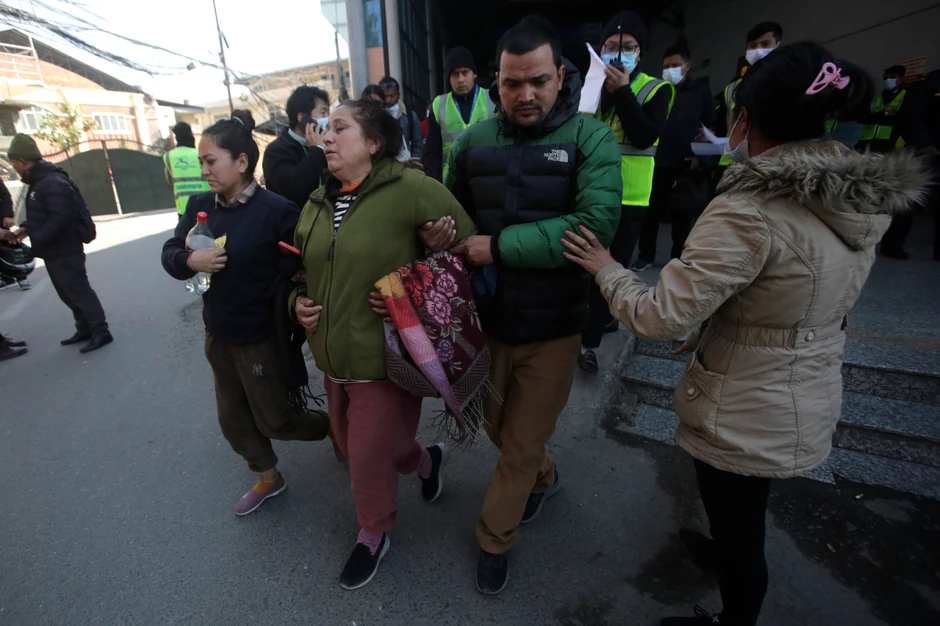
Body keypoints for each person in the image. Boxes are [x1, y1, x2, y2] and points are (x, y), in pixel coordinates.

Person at [561, 42, 927, 626]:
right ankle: (727, 556)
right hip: (798, 380)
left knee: (740, 521)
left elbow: (659, 316)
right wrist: (715, 322)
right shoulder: (856, 195)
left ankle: (735, 613)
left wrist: (606, 268)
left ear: (744, 118)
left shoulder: (749, 210)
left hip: (747, 401)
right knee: (740, 509)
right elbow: (784, 286)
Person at [445, 16, 622, 595]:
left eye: (539, 82)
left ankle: (494, 538)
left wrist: (494, 247)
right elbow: (454, 219)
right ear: (496, 82)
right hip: (488, 324)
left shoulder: (590, 138)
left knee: (518, 445)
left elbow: (593, 227)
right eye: (512, 83)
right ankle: (545, 477)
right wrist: (440, 234)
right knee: (499, 429)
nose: (526, 95)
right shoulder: (471, 142)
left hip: (555, 326)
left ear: (561, 76)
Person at [290, 99, 476, 590]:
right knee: (357, 443)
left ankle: (373, 531)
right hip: (331, 357)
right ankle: (426, 460)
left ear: (374, 142)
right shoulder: (315, 202)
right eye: (324, 130)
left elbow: (467, 249)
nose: (326, 138)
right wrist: (296, 302)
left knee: (366, 454)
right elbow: (299, 273)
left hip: (386, 357)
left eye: (340, 129)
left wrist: (424, 263)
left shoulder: (411, 188)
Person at [162, 110, 331, 516]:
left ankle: (334, 428)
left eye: (210, 160)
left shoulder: (277, 211)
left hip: (260, 336)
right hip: (218, 333)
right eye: (201, 161)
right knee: (232, 417)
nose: (204, 170)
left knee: (275, 419)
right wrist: (190, 260)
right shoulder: (201, 206)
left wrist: (300, 301)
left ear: (241, 161)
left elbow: (303, 267)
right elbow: (170, 252)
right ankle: (269, 477)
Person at [580, 10, 674, 373]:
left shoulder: (654, 89)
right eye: (610, 46)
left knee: (609, 268)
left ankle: (589, 344)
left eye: (629, 47)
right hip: (588, 192)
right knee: (582, 265)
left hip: (630, 197)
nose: (618, 55)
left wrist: (622, 93)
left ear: (641, 52)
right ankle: (596, 321)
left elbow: (645, 135)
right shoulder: (590, 86)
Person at [8, 133, 112, 353]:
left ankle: (101, 332)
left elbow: (61, 218)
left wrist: (38, 239)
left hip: (65, 249)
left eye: (13, 161)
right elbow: (45, 213)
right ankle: (84, 328)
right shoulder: (40, 182)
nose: (13, 166)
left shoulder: (51, 182)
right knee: (67, 293)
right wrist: (26, 228)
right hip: (55, 250)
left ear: (23, 160)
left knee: (79, 291)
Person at [635, 41, 714, 271]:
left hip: (685, 163)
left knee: (682, 214)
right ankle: (645, 255)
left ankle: (678, 258)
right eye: (666, 65)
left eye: (675, 65)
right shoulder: (657, 90)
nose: (670, 69)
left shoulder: (701, 93)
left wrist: (701, 155)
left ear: (687, 66)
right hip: (657, 161)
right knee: (651, 212)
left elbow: (709, 127)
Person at [858, 65, 914, 259]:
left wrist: (884, 117)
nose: (890, 80)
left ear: (902, 79)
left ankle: (892, 245)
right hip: (869, 147)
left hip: (894, 150)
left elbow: (904, 120)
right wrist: (885, 116)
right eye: (888, 76)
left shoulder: (908, 97)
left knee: (896, 197)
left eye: (894, 77)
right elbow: (864, 115)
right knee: (866, 193)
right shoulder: (878, 96)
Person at [425, 46, 495, 180]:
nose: (460, 79)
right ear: (449, 78)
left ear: (474, 74)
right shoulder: (439, 105)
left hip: (487, 181)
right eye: (455, 74)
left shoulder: (492, 100)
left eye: (465, 72)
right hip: (452, 183)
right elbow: (432, 153)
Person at [715, 22, 783, 154]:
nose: (758, 50)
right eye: (752, 46)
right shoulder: (733, 88)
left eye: (765, 44)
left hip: (771, 161)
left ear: (778, 47)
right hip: (732, 162)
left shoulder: (789, 82)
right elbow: (722, 126)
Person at [261, 85, 330, 209]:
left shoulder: (328, 145)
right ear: (303, 118)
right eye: (323, 112)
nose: (327, 118)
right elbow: (291, 188)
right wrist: (317, 151)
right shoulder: (276, 150)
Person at [904, 68, 940, 260]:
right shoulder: (929, 83)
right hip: (928, 152)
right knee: (909, 200)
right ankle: (892, 244)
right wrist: (924, 144)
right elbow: (911, 114)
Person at [164, 122, 210, 218]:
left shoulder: (168, 156)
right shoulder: (200, 154)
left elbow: (169, 180)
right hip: (206, 206)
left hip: (184, 210)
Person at [379, 76, 424, 168]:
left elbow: (417, 144)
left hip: (408, 166)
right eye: (385, 96)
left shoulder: (410, 116)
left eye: (392, 96)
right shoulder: (377, 116)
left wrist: (414, 164)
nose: (388, 100)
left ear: (398, 95)